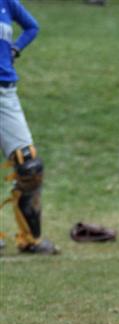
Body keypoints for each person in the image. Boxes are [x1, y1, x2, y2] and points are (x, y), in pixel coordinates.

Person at [0, 0, 59, 254]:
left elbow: (32, 27)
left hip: (6, 93)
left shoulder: (7, 3)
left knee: (30, 166)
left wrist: (15, 49)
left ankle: (29, 239)